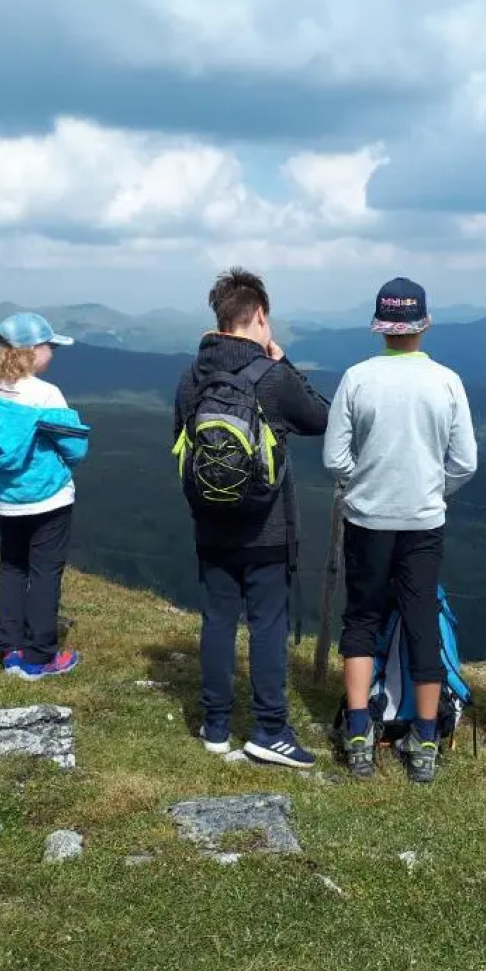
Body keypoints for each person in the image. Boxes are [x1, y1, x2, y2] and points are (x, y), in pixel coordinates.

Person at [173, 268, 331, 767]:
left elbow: (184, 441)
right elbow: (322, 417)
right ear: (259, 315)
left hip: (210, 524)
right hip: (267, 527)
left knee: (218, 619)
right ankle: (269, 730)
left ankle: (215, 725)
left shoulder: (190, 377)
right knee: (267, 625)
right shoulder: (272, 376)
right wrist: (288, 363)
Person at [323, 277, 477, 784]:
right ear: (424, 323)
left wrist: (363, 482)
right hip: (423, 521)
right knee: (421, 624)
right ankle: (426, 739)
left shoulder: (357, 378)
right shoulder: (448, 381)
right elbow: (464, 463)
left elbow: (334, 458)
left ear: (380, 326)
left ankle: (361, 732)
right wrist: (433, 491)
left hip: (367, 518)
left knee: (361, 620)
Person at [0, 313, 90, 680]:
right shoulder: (46, 395)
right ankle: (40, 656)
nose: (53, 353)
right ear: (32, 351)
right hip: (49, 497)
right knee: (45, 570)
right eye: (50, 346)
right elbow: (76, 450)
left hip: (6, 498)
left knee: (12, 567)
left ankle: (10, 649)